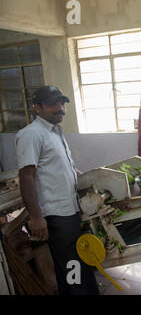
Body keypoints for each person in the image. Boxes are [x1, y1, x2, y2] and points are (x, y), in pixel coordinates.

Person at [15, 85, 99, 295]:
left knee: (80, 260)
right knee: (71, 265)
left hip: (70, 209)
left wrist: (88, 179)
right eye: (53, 104)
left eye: (62, 103)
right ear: (37, 107)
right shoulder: (31, 134)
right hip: (56, 213)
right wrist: (35, 217)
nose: (60, 108)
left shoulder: (55, 132)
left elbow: (60, 168)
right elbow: (26, 176)